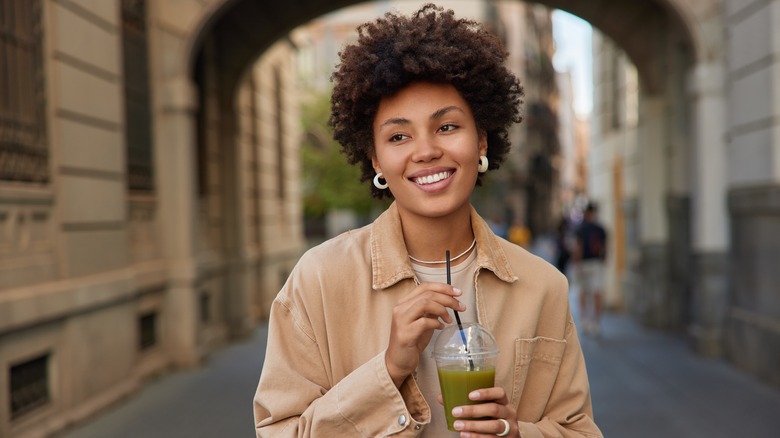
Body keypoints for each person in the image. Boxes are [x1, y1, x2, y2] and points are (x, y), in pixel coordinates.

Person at [253, 4, 601, 437]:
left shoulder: (543, 287)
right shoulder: (319, 280)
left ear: (482, 140)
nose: (425, 151)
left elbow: (580, 430)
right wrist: (388, 368)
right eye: (399, 136)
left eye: (447, 127)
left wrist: (516, 433)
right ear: (376, 158)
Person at [573, 202, 608, 336]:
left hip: (584, 263)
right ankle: (596, 322)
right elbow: (604, 248)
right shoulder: (601, 229)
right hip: (597, 263)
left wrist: (576, 264)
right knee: (597, 291)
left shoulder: (580, 229)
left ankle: (585, 321)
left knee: (583, 292)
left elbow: (578, 248)